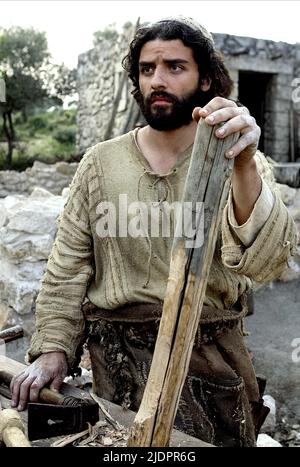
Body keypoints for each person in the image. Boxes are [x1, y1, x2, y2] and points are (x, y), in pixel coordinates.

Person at [10, 17, 297, 447]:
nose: (157, 80)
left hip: (211, 359)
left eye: (175, 67)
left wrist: (242, 165)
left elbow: (266, 261)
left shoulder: (240, 162)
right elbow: (67, 267)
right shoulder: (100, 164)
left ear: (205, 81)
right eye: (147, 69)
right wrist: (53, 347)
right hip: (119, 365)